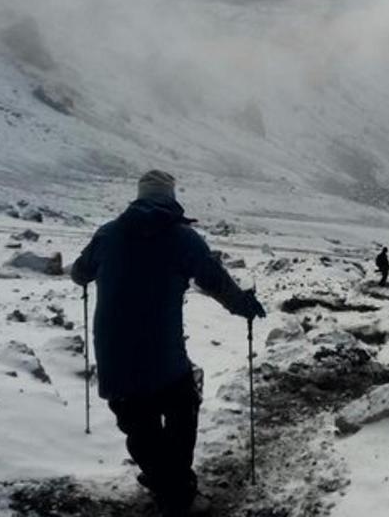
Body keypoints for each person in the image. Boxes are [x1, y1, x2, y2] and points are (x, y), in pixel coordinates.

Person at [71, 170, 265, 517]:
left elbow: (79, 273)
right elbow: (216, 282)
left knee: (138, 424)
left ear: (139, 196)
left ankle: (166, 483)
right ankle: (176, 491)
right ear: (171, 198)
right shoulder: (183, 239)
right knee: (181, 412)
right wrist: (245, 306)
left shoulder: (107, 234)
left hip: (114, 355)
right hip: (165, 355)